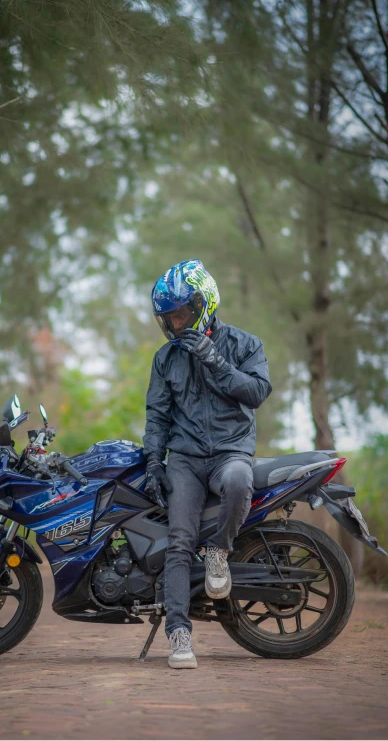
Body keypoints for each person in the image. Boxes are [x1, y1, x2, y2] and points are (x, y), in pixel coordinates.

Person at [142, 259, 272, 669]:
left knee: (238, 479)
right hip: (185, 460)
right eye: (168, 318)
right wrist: (152, 462)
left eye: (180, 314)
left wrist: (216, 360)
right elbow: (157, 416)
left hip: (230, 452)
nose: (175, 324)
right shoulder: (166, 360)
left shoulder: (245, 344)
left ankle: (219, 550)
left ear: (203, 304)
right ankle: (179, 635)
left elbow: (257, 392)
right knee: (179, 541)